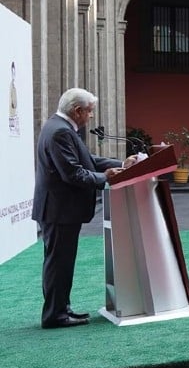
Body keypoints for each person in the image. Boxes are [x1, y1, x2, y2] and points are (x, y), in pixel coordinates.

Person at [33, 88, 137, 329]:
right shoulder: (60, 131)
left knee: (61, 262)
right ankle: (55, 315)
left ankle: (61, 309)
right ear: (77, 110)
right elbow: (73, 173)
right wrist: (105, 177)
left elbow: (86, 159)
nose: (91, 117)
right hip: (59, 209)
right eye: (89, 112)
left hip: (59, 208)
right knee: (59, 262)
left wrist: (120, 164)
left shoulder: (60, 127)